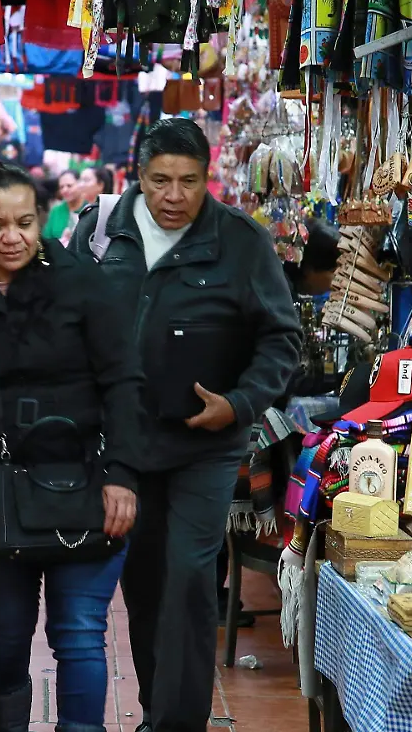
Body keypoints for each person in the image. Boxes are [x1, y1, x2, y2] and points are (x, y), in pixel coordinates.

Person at [70, 118, 302, 732]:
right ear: (137, 177)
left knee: (191, 576)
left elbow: (282, 341)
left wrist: (241, 402)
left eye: (189, 182)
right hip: (124, 447)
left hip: (206, 444)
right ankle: (158, 708)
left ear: (209, 179)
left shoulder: (241, 241)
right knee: (144, 582)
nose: (174, 196)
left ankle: (178, 722)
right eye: (160, 181)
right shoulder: (100, 233)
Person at [0, 162, 145, 732]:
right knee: (6, 637)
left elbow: (124, 381)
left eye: (25, 222)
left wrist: (122, 472)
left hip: (86, 480)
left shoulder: (82, 280)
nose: (13, 237)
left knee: (79, 631)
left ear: (41, 220)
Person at [215, 217, 341, 624]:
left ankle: (216, 599)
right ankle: (215, 601)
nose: (335, 282)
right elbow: (276, 360)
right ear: (315, 267)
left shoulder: (276, 284)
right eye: (335, 271)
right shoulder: (278, 292)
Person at [43, 170, 82, 241]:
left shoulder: (89, 208)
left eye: (69, 186)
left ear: (80, 185)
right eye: (61, 187)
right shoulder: (56, 210)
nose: (65, 190)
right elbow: (46, 238)